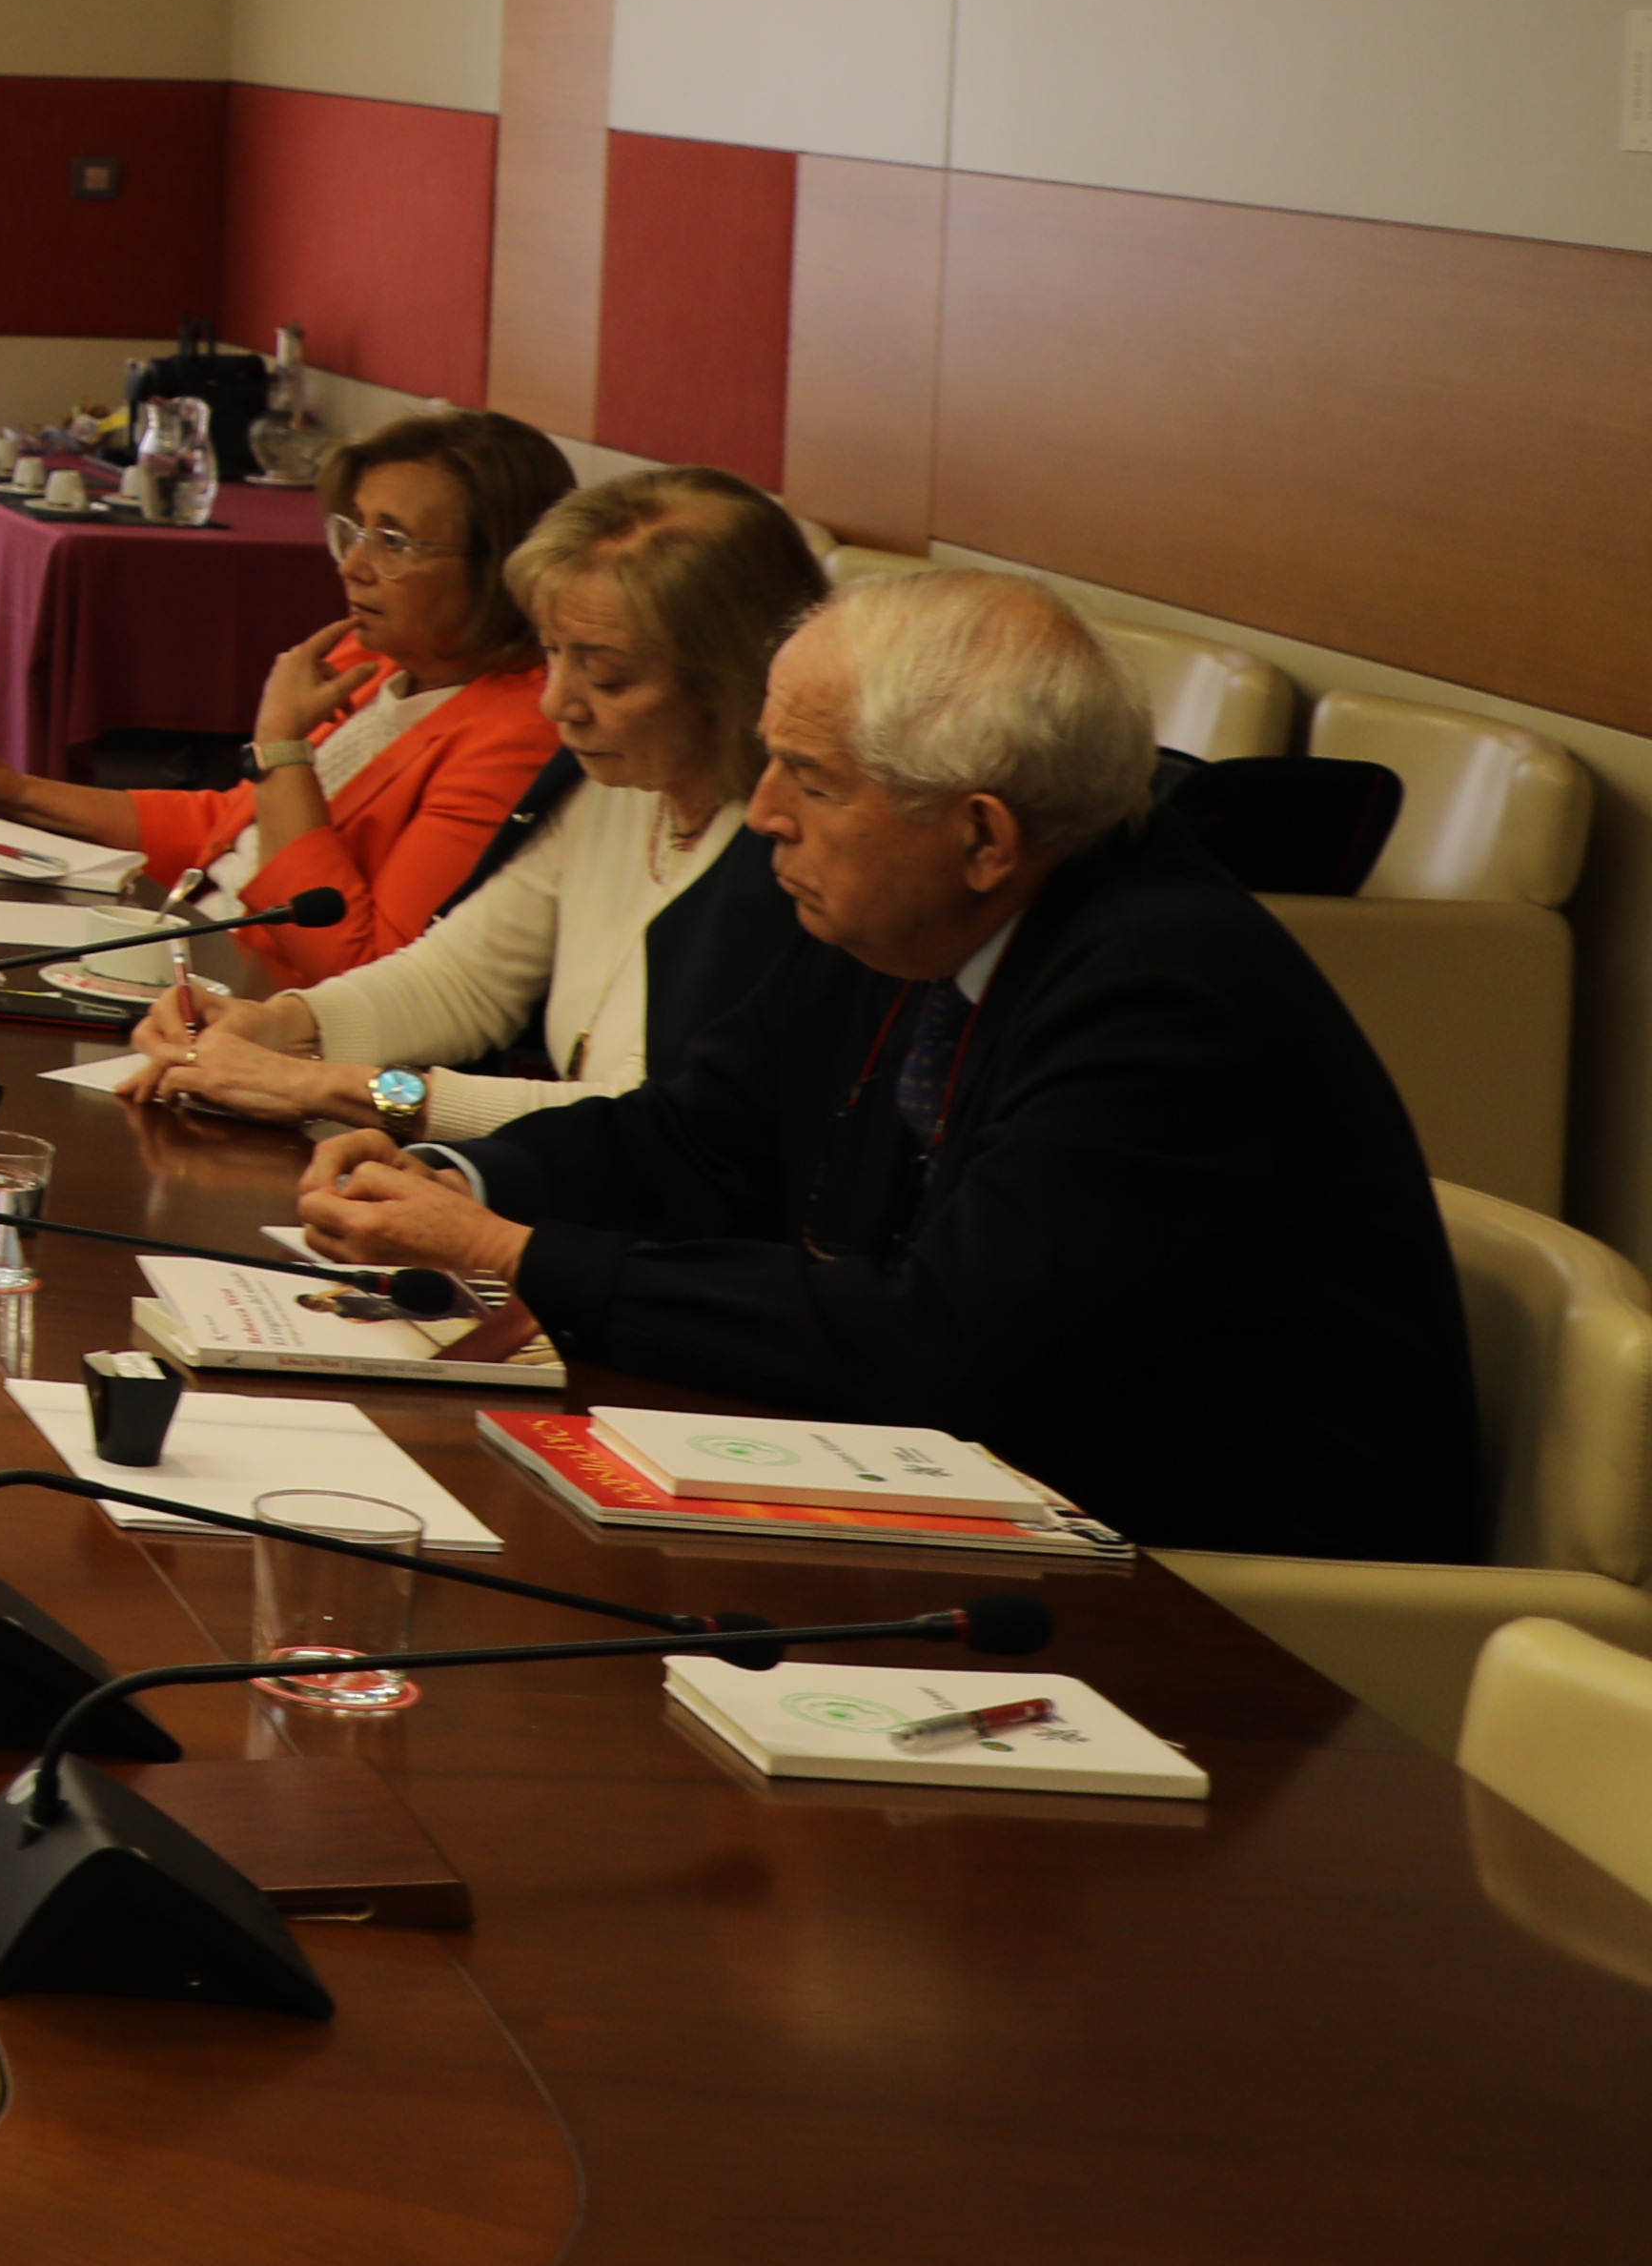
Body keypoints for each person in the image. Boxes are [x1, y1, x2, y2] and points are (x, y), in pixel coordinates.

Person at [296, 570, 1485, 1562]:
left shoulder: (1162, 994)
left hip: (1230, 1604)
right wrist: (464, 1179)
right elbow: (696, 1137)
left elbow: (946, 1344)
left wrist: (519, 1259)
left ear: (982, 835)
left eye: (811, 779)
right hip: (999, 1504)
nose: (763, 813)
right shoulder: (902, 917)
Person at [134, 466, 817, 1140]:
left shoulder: (788, 860)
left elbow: (648, 1124)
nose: (558, 704)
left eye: (607, 676)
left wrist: (328, 1086)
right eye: (553, 654)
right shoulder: (619, 787)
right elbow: (463, 978)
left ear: (732, 681)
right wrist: (279, 1025)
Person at [0, 405, 577, 977]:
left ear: (503, 567)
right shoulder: (369, 659)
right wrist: (16, 792)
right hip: (185, 946)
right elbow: (230, 830)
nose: (353, 564)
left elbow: (362, 964)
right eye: (354, 531)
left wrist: (283, 751)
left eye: (394, 541)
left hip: (265, 1012)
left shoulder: (517, 732)